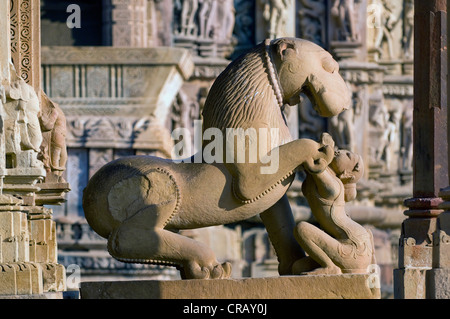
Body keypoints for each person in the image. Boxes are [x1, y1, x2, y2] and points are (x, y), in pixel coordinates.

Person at [293, 147, 375, 275]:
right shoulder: (329, 177)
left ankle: (330, 267)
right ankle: (329, 266)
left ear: (347, 173)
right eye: (344, 150)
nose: (340, 151)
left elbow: (312, 163)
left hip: (354, 247)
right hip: (354, 246)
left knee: (302, 229)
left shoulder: (333, 186)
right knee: (298, 268)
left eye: (348, 155)